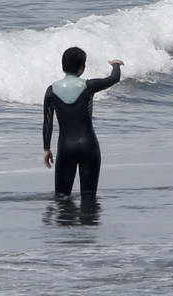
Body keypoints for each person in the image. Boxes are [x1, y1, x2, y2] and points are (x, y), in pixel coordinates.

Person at [42, 47, 123, 197]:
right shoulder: (89, 86)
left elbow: (47, 121)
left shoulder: (51, 90)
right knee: (89, 197)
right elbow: (114, 78)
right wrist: (116, 64)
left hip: (66, 148)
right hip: (89, 147)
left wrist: (46, 148)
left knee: (61, 197)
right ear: (82, 68)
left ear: (62, 67)